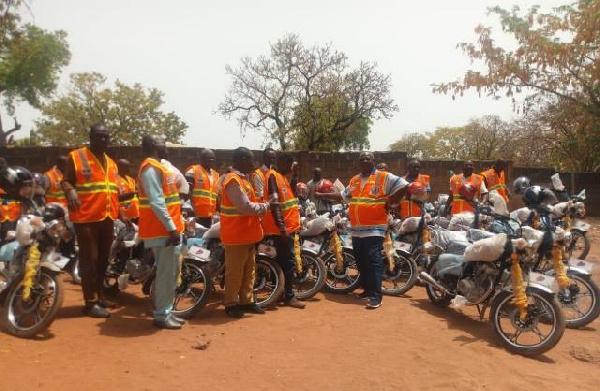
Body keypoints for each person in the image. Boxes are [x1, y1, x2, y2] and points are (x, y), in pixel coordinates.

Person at [321, 152, 408, 309]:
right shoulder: (355, 180)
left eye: (368, 158)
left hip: (375, 227)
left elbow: (404, 185)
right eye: (362, 159)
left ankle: (376, 296)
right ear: (359, 163)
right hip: (356, 228)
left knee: (373, 259)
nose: (365, 161)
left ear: (373, 161)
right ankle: (368, 290)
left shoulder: (383, 176)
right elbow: (343, 196)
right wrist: (322, 194)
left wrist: (390, 200)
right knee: (361, 260)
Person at [60, 123, 120, 318]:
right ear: (91, 137)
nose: (102, 140)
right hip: (85, 217)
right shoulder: (76, 157)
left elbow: (112, 190)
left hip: (107, 217)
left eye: (105, 137)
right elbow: (65, 180)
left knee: (104, 260)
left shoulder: (111, 163)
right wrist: (70, 191)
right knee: (90, 260)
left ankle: (100, 295)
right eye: (98, 136)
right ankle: (90, 302)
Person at [137, 135, 186, 329]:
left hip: (168, 229)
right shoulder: (150, 168)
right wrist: (171, 228)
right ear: (152, 146)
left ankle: (166, 311)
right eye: (163, 144)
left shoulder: (159, 167)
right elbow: (157, 202)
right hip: (162, 230)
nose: (167, 148)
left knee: (172, 273)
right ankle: (161, 315)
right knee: (166, 274)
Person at [220, 147, 270, 318]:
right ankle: (231, 303)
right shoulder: (232, 180)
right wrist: (266, 207)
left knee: (249, 270)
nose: (254, 163)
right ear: (241, 159)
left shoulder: (245, 179)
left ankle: (246, 300)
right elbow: (243, 207)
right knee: (235, 271)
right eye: (251, 159)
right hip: (236, 235)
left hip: (247, 234)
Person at [264, 152, 305, 309]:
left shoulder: (282, 178)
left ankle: (280, 293)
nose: (290, 167)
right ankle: (289, 296)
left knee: (282, 262)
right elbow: (274, 204)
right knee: (288, 263)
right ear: (282, 162)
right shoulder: (273, 177)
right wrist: (282, 227)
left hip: (287, 227)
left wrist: (294, 176)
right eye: (289, 164)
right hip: (282, 229)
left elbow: (292, 195)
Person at [185, 148, 219, 227]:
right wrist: (191, 209)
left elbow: (216, 195)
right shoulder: (193, 171)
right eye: (209, 158)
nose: (211, 160)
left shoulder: (216, 175)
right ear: (202, 158)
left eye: (213, 158)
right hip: (196, 214)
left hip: (211, 216)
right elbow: (186, 192)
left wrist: (217, 210)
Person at [116, 159, 140, 224]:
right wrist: (131, 194)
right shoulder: (114, 180)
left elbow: (137, 193)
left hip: (136, 213)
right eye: (127, 167)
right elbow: (115, 198)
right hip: (124, 215)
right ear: (120, 168)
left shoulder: (131, 179)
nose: (129, 169)